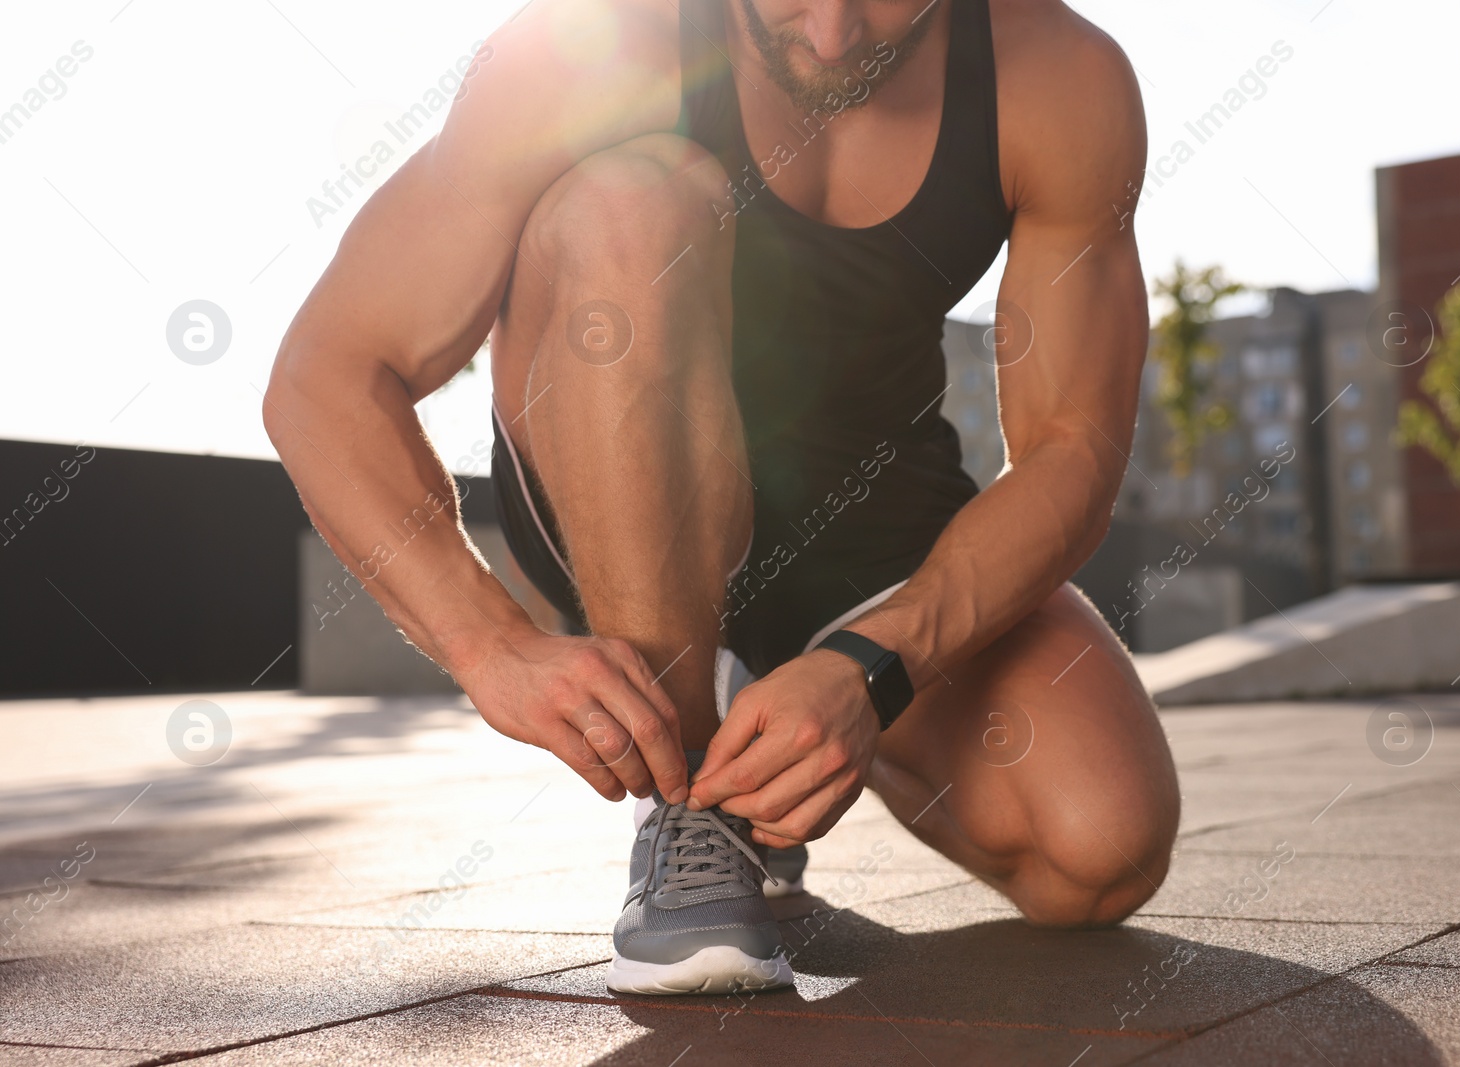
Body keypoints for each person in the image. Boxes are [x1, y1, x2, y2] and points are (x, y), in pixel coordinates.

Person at [265, 0, 1179, 996]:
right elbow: (327, 373)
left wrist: (873, 668)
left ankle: (777, 728)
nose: (833, 35)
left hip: (868, 512)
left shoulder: (1056, 76)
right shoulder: (586, 48)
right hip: (612, 469)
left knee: (1097, 847)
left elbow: (1073, 445)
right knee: (629, 202)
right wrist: (487, 641)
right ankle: (694, 801)